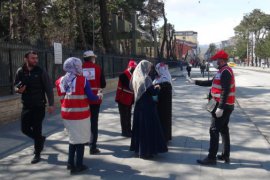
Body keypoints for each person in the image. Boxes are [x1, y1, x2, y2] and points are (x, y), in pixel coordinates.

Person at [187, 50, 235, 165]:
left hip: (222, 105)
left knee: (213, 130)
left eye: (217, 59)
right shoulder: (222, 71)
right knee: (224, 130)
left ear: (222, 60)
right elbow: (211, 83)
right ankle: (225, 155)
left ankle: (211, 157)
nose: (215, 61)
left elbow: (225, 90)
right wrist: (195, 82)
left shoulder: (226, 72)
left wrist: (221, 108)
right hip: (221, 104)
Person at [55, 57, 102, 174]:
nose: (81, 68)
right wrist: (99, 96)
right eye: (79, 66)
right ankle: (79, 165)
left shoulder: (60, 80)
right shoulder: (83, 80)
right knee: (80, 140)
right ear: (76, 67)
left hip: (66, 113)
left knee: (73, 139)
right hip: (80, 114)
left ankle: (70, 163)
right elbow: (91, 97)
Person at [14, 50, 55, 164]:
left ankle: (37, 153)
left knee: (37, 129)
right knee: (24, 129)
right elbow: (15, 86)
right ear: (26, 59)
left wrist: (51, 104)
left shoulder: (41, 71)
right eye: (33, 58)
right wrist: (18, 90)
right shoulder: (20, 71)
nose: (35, 60)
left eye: (36, 58)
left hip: (39, 105)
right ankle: (40, 139)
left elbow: (48, 88)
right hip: (26, 105)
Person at [130, 60, 168, 159]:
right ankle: (146, 152)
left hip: (138, 106)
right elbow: (153, 92)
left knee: (139, 128)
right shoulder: (146, 78)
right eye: (149, 67)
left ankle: (138, 149)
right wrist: (158, 87)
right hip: (147, 106)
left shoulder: (135, 77)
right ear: (145, 67)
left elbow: (131, 88)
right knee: (147, 128)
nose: (149, 69)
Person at [82, 50, 106, 154]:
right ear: (92, 58)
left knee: (84, 121)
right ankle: (93, 147)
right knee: (94, 122)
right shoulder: (98, 68)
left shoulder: (80, 69)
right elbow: (103, 84)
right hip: (95, 99)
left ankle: (85, 140)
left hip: (82, 99)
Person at [115, 59, 137, 137]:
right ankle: (125, 131)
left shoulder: (132, 75)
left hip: (129, 99)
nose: (134, 69)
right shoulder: (123, 75)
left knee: (128, 116)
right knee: (124, 116)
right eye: (133, 68)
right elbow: (129, 86)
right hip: (122, 99)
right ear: (129, 67)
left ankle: (128, 129)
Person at [153, 63, 173, 142]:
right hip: (163, 104)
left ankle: (164, 137)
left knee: (163, 120)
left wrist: (156, 87)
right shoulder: (163, 77)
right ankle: (165, 136)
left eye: (158, 70)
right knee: (164, 120)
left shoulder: (164, 79)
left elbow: (160, 91)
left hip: (162, 105)